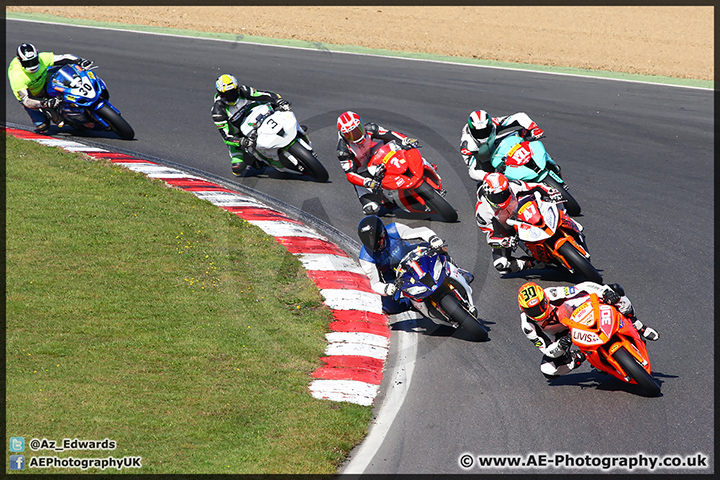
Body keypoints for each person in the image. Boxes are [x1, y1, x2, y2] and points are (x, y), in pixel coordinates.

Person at [517, 281, 659, 378]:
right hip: (562, 336)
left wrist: (604, 292)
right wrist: (560, 346)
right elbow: (547, 350)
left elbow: (583, 287)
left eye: (540, 306)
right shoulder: (527, 326)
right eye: (532, 310)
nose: (538, 312)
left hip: (573, 314)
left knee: (614, 289)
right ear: (523, 310)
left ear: (545, 299)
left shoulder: (552, 293)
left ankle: (637, 325)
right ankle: (579, 357)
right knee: (547, 369)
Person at [357, 215, 474, 315]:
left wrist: (433, 239)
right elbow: (374, 283)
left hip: (412, 255)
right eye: (367, 240)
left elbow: (420, 231)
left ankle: (457, 270)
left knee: (437, 248)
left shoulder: (393, 229)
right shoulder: (365, 257)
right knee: (389, 307)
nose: (372, 243)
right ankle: (414, 303)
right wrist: (386, 288)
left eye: (373, 238)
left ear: (382, 232)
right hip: (394, 276)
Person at [475, 172, 572, 275]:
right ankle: (533, 263)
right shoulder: (482, 212)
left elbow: (537, 186)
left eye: (504, 193)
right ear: (488, 195)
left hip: (527, 210)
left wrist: (551, 192)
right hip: (509, 230)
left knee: (555, 200)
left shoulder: (513, 186)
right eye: (497, 197)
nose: (501, 198)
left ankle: (566, 219)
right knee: (501, 265)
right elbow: (490, 237)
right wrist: (504, 241)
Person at [336, 111, 420, 215]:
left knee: (399, 146)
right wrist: (366, 182)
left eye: (358, 130)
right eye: (350, 134)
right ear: (344, 135)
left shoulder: (370, 128)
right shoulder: (343, 150)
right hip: (363, 172)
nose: (356, 135)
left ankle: (417, 165)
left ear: (362, 124)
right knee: (371, 208)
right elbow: (349, 174)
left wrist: (406, 140)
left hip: (375, 155)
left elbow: (389, 134)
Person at [211, 73, 292, 176]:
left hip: (252, 115)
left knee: (277, 106)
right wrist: (241, 141)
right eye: (226, 94)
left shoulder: (243, 90)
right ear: (220, 94)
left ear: (237, 89)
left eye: (232, 93)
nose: (230, 97)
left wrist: (279, 100)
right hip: (238, 134)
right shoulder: (218, 111)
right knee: (238, 168)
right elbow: (226, 136)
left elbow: (264, 95)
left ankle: (290, 127)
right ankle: (263, 160)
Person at [8, 43, 95, 132]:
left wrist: (80, 61)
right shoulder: (17, 76)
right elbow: (26, 100)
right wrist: (45, 103)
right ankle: (62, 117)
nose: (32, 65)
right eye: (27, 63)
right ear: (20, 60)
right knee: (43, 127)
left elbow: (64, 57)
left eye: (34, 61)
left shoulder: (42, 58)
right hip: (33, 96)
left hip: (45, 82)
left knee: (65, 72)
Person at [460, 109, 558, 182]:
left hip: (496, 146)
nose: (483, 135)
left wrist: (533, 128)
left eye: (485, 130)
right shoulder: (467, 145)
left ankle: (548, 161)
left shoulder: (494, 123)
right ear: (472, 130)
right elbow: (472, 171)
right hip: (483, 160)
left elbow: (519, 116)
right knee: (489, 188)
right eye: (479, 132)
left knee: (525, 132)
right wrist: (487, 177)